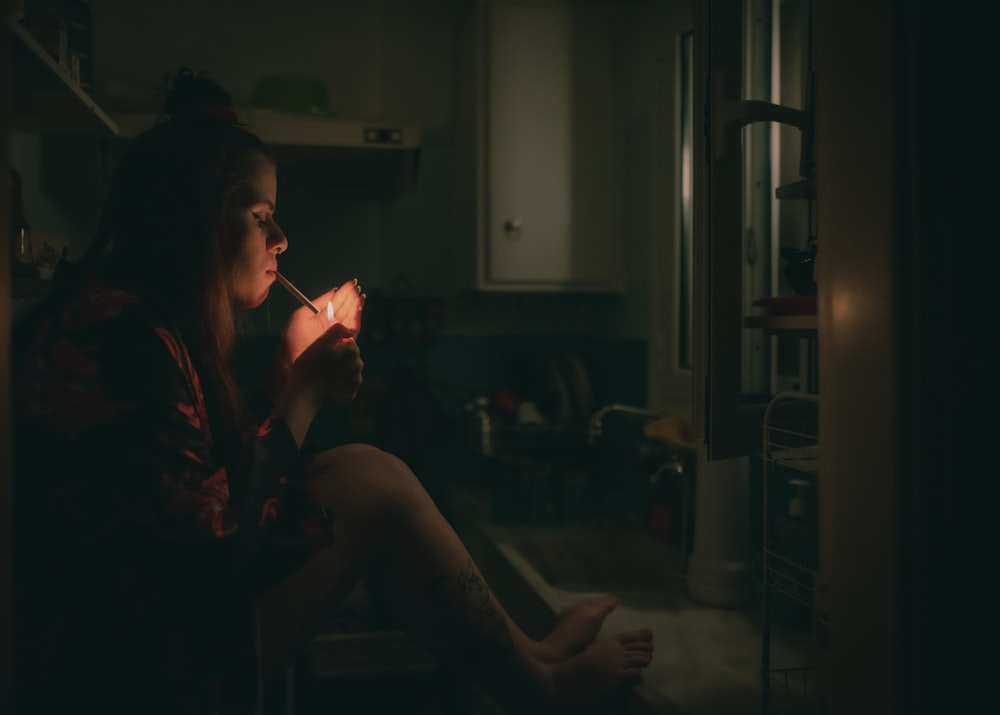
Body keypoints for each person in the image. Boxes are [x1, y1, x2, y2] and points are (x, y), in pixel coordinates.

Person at [10, 69, 654, 715]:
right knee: (373, 481)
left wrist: (281, 380)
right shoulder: (118, 337)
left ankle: (535, 656)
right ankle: (547, 689)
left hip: (159, 638)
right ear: (195, 217)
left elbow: (207, 488)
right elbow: (215, 552)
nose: (281, 240)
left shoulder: (136, 318)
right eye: (261, 217)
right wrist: (303, 396)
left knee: (364, 471)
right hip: (131, 678)